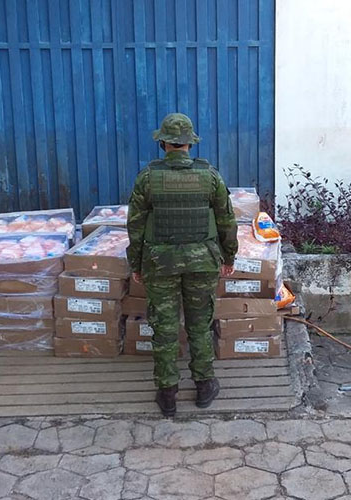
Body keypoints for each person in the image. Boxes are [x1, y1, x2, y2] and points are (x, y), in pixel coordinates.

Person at [126, 113, 238, 417]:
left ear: (162, 143)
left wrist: (135, 263)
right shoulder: (210, 176)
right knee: (200, 324)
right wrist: (229, 256)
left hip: (160, 263)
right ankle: (204, 385)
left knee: (163, 327)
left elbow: (135, 225)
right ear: (190, 144)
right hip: (203, 261)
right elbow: (227, 220)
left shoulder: (147, 177)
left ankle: (168, 392)